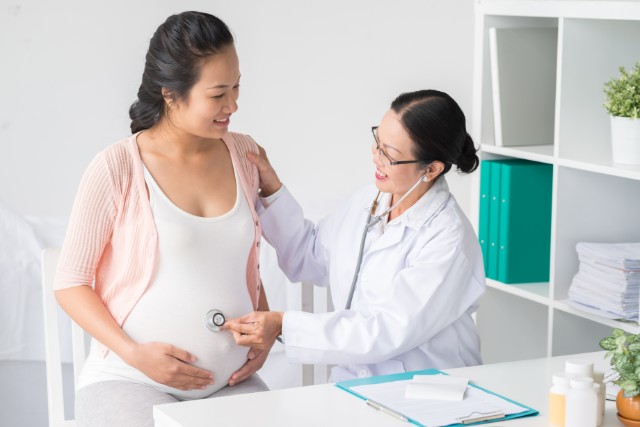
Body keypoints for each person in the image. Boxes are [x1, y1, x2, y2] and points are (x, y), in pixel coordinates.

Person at [54, 11, 272, 427]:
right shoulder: (116, 166)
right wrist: (134, 354)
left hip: (232, 381)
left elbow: (241, 261)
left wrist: (264, 329)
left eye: (237, 86)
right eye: (218, 93)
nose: (234, 104)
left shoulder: (245, 155)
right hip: (129, 379)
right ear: (171, 93)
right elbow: (70, 282)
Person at [224, 89, 486, 382]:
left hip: (427, 389)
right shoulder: (368, 201)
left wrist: (284, 325)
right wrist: (271, 187)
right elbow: (309, 256)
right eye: (378, 143)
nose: (376, 157)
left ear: (431, 169)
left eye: (390, 155)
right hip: (358, 383)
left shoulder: (448, 238)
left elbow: (385, 330)